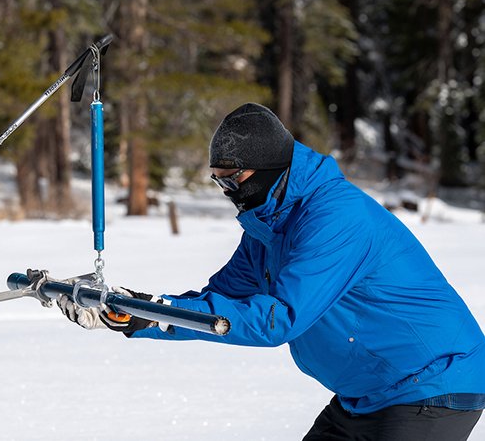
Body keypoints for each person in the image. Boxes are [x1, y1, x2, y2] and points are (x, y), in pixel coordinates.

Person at [59, 102, 485, 440]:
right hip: (366, 393)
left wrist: (162, 312)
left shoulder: (335, 218)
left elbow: (279, 319)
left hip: (431, 385)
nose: (228, 192)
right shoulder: (270, 224)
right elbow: (221, 300)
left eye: (233, 180)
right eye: (218, 182)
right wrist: (141, 313)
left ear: (266, 170)